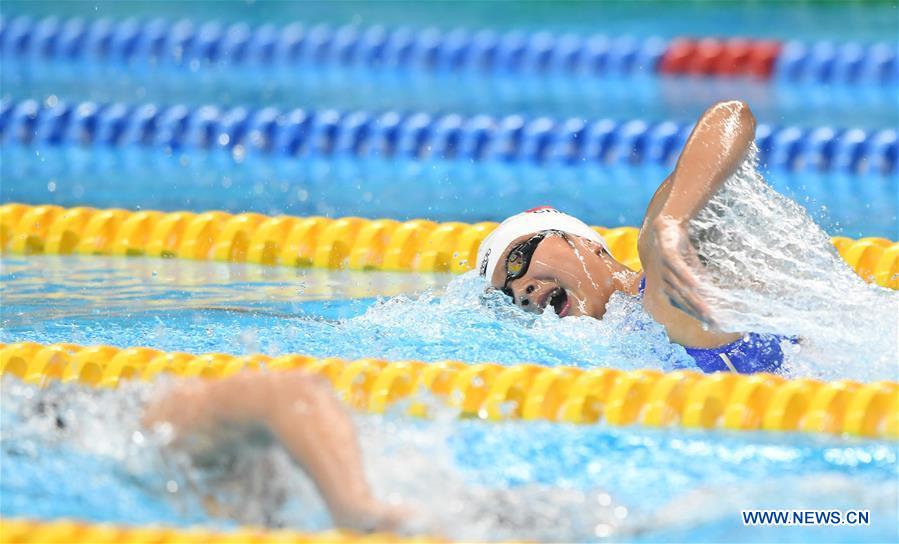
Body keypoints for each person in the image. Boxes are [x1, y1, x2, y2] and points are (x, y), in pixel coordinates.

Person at [476, 100, 790, 374]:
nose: (521, 292)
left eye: (517, 260)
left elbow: (732, 116)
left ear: (583, 241)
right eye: (508, 295)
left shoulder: (664, 275)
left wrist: (673, 221)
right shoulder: (618, 352)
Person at [142, 370, 408, 532]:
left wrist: (357, 507)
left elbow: (293, 393)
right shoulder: (165, 424)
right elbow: (294, 393)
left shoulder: (160, 422)